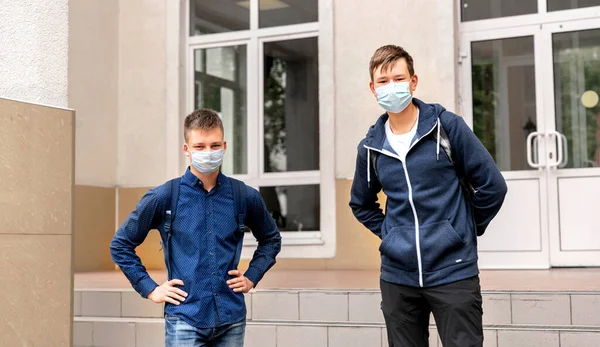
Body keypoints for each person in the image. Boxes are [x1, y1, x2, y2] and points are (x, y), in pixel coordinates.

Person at [349, 45, 508, 347]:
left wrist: (462, 229)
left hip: (453, 271)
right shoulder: (370, 147)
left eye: (398, 78)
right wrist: (392, 234)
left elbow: (493, 185)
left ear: (413, 81)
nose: (391, 87)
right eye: (383, 81)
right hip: (398, 277)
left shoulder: (446, 127)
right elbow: (361, 203)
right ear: (373, 88)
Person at [110, 108, 282, 347]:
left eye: (214, 146)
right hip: (185, 318)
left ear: (224, 146)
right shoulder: (164, 197)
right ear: (187, 150)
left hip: (230, 316)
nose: (208, 153)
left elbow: (271, 239)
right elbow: (121, 245)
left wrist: (252, 276)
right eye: (200, 146)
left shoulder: (244, 196)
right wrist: (150, 289)